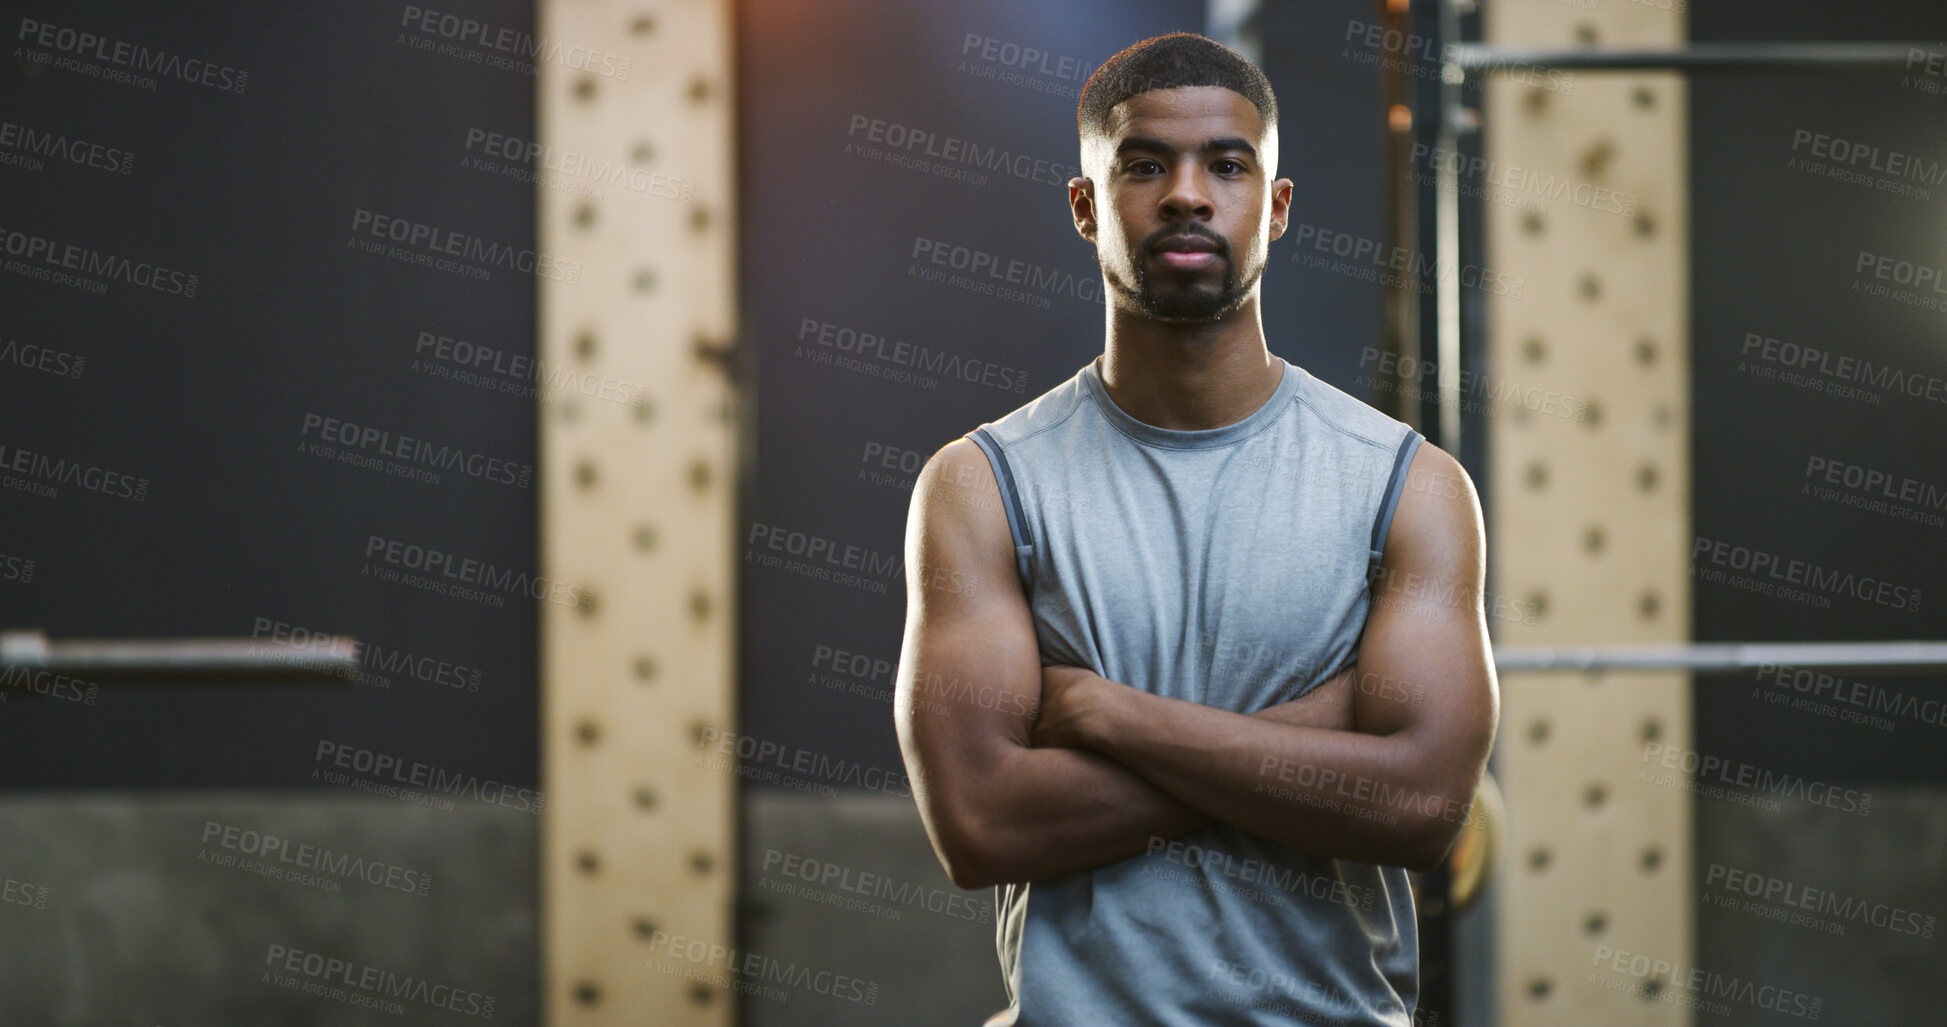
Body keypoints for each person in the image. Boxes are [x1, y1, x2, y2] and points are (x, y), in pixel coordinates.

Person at [893, 32, 1499, 1027]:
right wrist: (1320, 731)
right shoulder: (982, 485)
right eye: (1143, 166)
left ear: (1277, 205)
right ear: (1085, 207)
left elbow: (1422, 809)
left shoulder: (1409, 485)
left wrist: (1108, 716)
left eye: (1226, 165)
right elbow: (981, 824)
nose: (1186, 195)